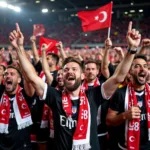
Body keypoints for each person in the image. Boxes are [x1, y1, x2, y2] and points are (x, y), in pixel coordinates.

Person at [9, 21, 141, 150]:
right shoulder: (55, 96)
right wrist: (19, 48)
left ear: (83, 76)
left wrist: (132, 49)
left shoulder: (94, 95)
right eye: (66, 70)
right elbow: (32, 77)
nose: (70, 72)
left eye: (74, 69)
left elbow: (118, 77)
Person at [106, 54, 150, 150]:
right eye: (137, 66)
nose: (142, 69)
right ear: (130, 72)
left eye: (145, 66)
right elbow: (109, 120)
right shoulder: (120, 93)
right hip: (126, 147)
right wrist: (124, 116)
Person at [0, 65, 34, 150]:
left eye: (12, 74)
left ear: (19, 80)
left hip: (22, 147)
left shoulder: (25, 94)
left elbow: (29, 81)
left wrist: (23, 68)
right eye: (6, 74)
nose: (8, 76)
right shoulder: (0, 93)